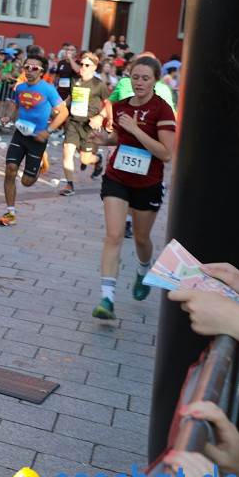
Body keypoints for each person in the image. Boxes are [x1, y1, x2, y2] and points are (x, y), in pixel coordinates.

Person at [88, 55, 175, 320]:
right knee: (114, 235)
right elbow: (119, 136)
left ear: (155, 81)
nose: (139, 82)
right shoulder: (122, 106)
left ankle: (143, 268)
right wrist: (104, 140)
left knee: (140, 238)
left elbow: (166, 153)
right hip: (118, 177)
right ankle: (107, 299)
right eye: (135, 77)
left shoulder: (162, 110)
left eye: (145, 78)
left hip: (147, 183)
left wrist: (137, 130)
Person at [0, 54, 69, 227]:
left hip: (38, 138)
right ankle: (10, 212)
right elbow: (17, 105)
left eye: (34, 68)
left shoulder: (48, 89)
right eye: (27, 67)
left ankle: (41, 163)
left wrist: (48, 131)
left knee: (27, 182)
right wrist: (8, 116)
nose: (29, 71)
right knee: (10, 169)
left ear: (41, 72)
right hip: (20, 134)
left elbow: (63, 112)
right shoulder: (20, 88)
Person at [59, 52, 111, 196]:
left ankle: (98, 160)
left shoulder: (99, 84)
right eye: (82, 64)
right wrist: (61, 106)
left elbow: (108, 104)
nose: (83, 67)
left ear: (94, 67)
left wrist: (101, 117)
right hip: (74, 123)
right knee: (67, 152)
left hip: (90, 125)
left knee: (85, 159)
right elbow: (70, 98)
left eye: (87, 65)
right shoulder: (74, 80)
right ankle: (69, 185)